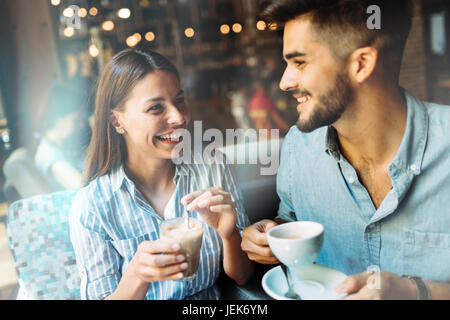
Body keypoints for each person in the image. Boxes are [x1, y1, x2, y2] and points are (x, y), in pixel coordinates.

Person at [241, 0, 450, 300]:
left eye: (299, 62)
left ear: (361, 64)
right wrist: (271, 235)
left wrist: (415, 292)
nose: (285, 82)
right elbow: (292, 220)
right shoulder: (299, 148)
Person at [69, 49, 254, 300]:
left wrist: (229, 235)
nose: (178, 117)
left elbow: (243, 276)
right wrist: (136, 275)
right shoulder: (93, 205)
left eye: (179, 100)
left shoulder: (212, 166)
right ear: (116, 121)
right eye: (156, 108)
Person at [34, 85, 91, 191]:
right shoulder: (50, 156)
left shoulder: (59, 145)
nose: (82, 125)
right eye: (76, 120)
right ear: (58, 119)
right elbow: (84, 188)